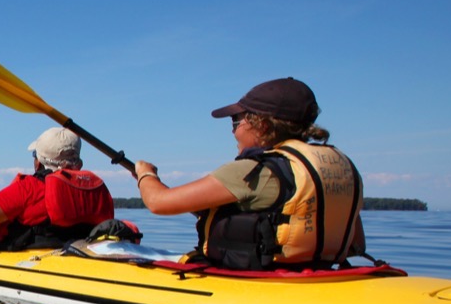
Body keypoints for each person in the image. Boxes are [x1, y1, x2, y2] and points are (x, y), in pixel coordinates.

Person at [132, 78, 364, 269]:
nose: (233, 131)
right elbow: (356, 245)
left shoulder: (253, 170)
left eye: (236, 121)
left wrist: (146, 175)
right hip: (325, 276)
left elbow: (158, 202)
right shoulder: (334, 170)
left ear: (261, 125)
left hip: (265, 280)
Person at [0, 126, 114, 249]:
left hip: (34, 265)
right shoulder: (96, 190)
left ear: (39, 163)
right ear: (79, 164)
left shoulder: (31, 188)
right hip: (77, 259)